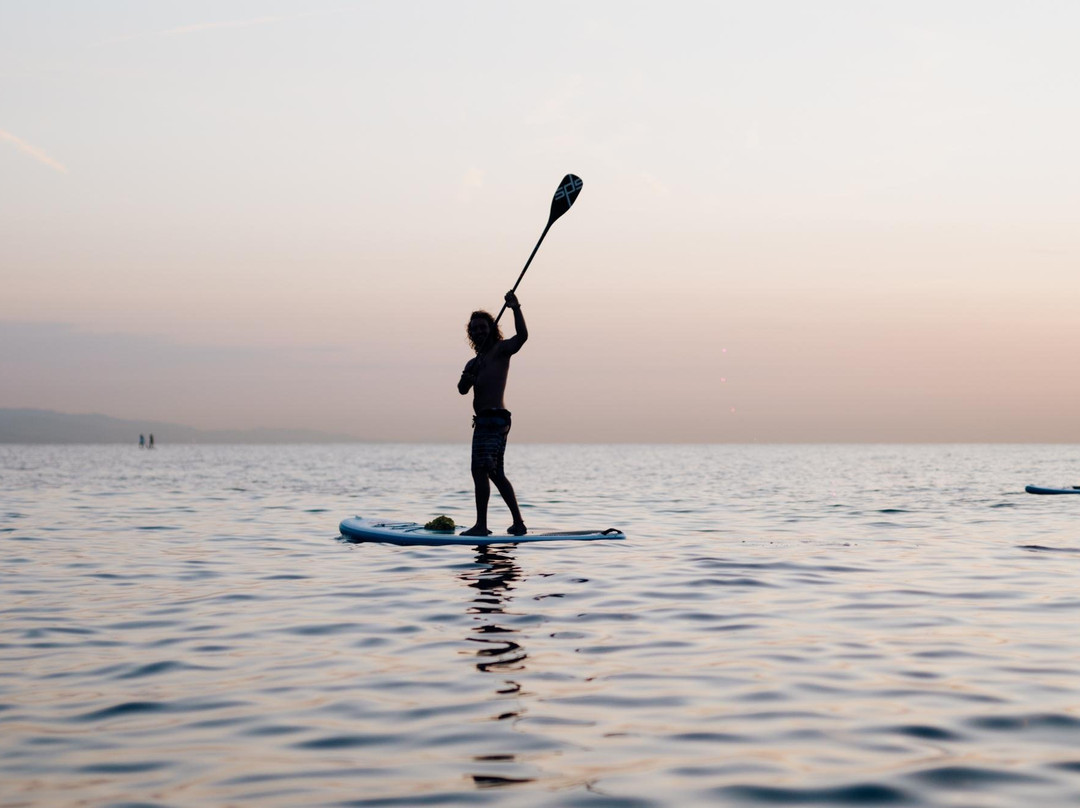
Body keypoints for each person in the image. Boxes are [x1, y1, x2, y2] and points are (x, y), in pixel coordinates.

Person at [457, 290, 528, 537]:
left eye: (482, 327)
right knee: (495, 472)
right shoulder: (473, 362)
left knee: (480, 470)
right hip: (486, 421)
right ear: (470, 334)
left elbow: (522, 337)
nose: (478, 331)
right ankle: (518, 523)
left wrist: (515, 307)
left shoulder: (500, 350)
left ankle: (481, 526)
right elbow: (462, 390)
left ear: (491, 329)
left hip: (494, 419)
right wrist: (468, 378)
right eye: (474, 329)